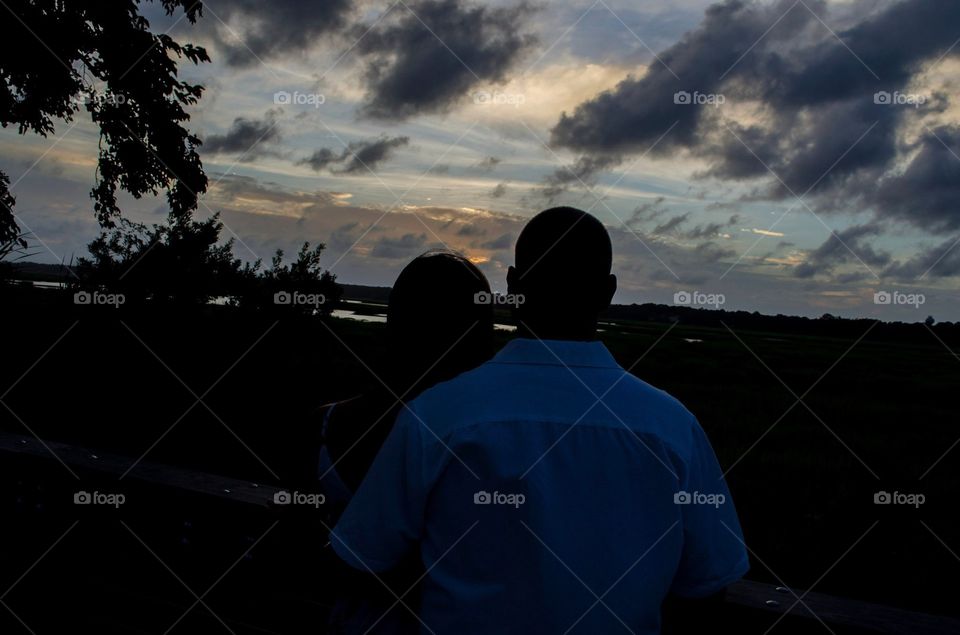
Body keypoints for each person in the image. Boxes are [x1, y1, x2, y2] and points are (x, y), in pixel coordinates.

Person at [330, 207, 749, 634]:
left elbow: (362, 557)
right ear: (608, 293)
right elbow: (708, 584)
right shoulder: (675, 428)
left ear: (512, 285)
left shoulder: (436, 416)